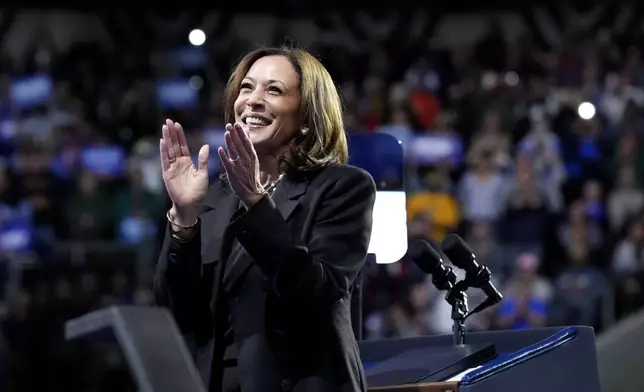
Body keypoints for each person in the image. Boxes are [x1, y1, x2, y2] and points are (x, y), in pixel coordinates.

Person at [154, 47, 376, 392]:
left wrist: (256, 203)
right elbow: (177, 313)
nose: (253, 101)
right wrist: (183, 218)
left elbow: (314, 291)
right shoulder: (214, 199)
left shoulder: (342, 188)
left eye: (273, 90)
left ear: (307, 116)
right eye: (247, 88)